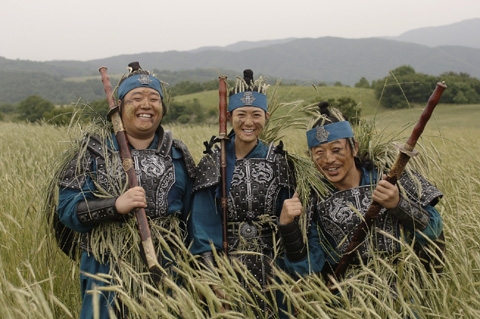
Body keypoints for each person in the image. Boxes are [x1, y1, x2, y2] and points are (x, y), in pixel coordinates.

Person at [55, 62, 195, 319]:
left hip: (167, 272)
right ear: (118, 107)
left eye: (154, 98)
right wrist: (114, 206)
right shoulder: (93, 152)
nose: (146, 105)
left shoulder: (178, 154)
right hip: (105, 272)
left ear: (162, 108)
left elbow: (191, 217)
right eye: (136, 98)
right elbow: (66, 209)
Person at [279, 102, 444, 281]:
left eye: (336, 150)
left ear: (354, 148)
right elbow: (306, 268)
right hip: (349, 298)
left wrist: (398, 204)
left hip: (405, 288)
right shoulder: (313, 196)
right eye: (319, 153)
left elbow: (433, 229)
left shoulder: (389, 177)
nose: (328, 159)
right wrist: (288, 227)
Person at [189, 70, 294, 318]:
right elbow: (202, 227)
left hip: (273, 268)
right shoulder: (214, 163)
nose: (249, 122)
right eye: (241, 115)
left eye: (256, 115)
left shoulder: (279, 161)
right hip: (226, 267)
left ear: (266, 117)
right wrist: (215, 280)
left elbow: (290, 224)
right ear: (229, 117)